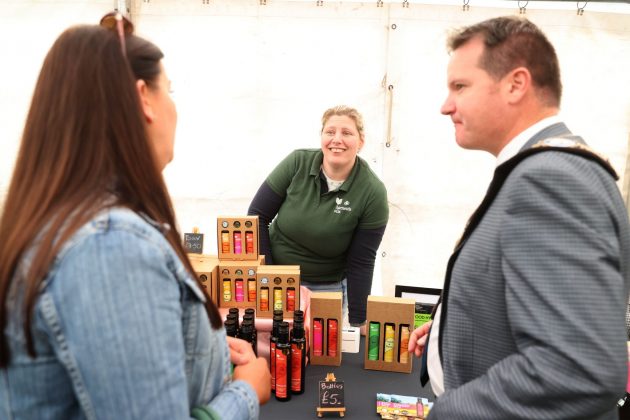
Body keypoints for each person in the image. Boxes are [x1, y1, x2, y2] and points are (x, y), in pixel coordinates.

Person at [0, 14, 270, 419]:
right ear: (143, 97)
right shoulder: (110, 245)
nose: (174, 108)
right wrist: (246, 393)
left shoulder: (77, 223)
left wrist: (205, 351)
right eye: (171, 91)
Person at [409, 16, 630, 419]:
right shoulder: (545, 170)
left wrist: (448, 412)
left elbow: (577, 368)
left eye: (460, 86)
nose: (446, 105)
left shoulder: (551, 180)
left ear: (516, 84)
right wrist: (455, 326)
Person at [248, 105, 388, 330]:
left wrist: (359, 319)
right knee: (276, 347)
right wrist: (271, 275)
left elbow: (362, 259)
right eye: (330, 132)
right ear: (322, 136)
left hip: (327, 287)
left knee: (319, 354)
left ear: (361, 142)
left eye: (347, 133)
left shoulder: (372, 192)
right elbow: (257, 216)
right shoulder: (297, 163)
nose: (337, 139)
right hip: (279, 277)